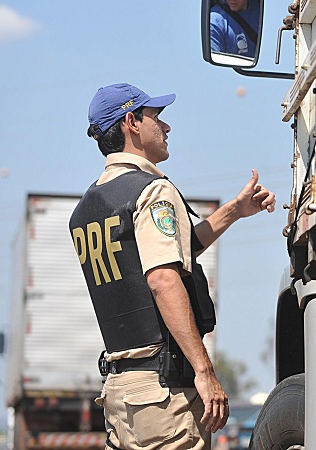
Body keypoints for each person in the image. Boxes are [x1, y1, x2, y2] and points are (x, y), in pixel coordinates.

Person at [69, 83, 276, 449]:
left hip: (120, 393)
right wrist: (205, 371)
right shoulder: (150, 190)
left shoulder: (87, 208)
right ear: (131, 122)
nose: (166, 128)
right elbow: (163, 278)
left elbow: (174, 249)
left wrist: (234, 211)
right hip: (163, 396)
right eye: (157, 118)